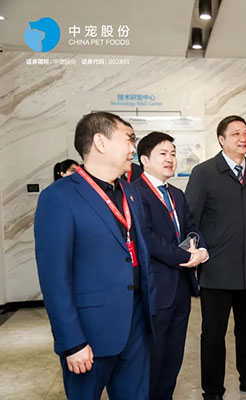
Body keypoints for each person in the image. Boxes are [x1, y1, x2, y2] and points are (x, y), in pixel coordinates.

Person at [34, 111, 156, 399]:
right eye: (128, 139)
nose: (133, 148)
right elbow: (54, 279)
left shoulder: (130, 192)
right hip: (89, 332)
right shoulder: (59, 197)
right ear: (100, 142)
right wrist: (71, 342)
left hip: (136, 324)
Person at [185, 115, 246, 400]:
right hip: (216, 270)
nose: (243, 138)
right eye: (235, 133)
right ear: (221, 139)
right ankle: (212, 390)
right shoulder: (204, 172)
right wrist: (197, 254)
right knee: (214, 334)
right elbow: (190, 220)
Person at [133, 131, 209, 400]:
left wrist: (199, 249)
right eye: (163, 154)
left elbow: (191, 227)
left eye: (173, 154)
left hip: (181, 287)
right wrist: (184, 257)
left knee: (173, 357)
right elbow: (147, 238)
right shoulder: (135, 193)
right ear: (144, 160)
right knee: (152, 358)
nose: (170, 159)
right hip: (154, 289)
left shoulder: (176, 193)